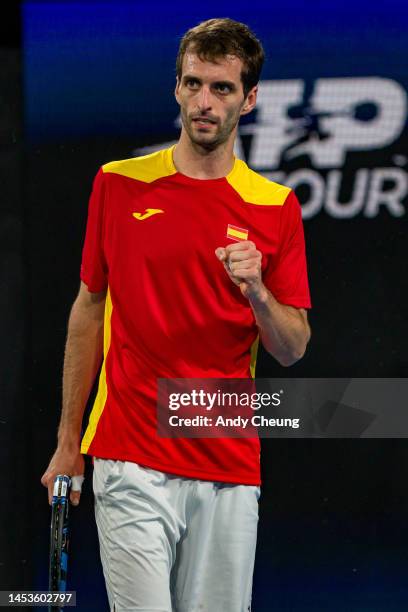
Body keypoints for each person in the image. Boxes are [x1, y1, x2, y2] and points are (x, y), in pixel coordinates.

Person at [41, 17, 311, 612]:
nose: (204, 103)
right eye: (193, 84)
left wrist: (259, 292)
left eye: (221, 88)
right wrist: (68, 441)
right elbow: (88, 310)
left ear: (249, 98)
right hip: (129, 455)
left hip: (228, 462)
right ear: (177, 88)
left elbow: (293, 347)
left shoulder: (276, 209)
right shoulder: (118, 185)